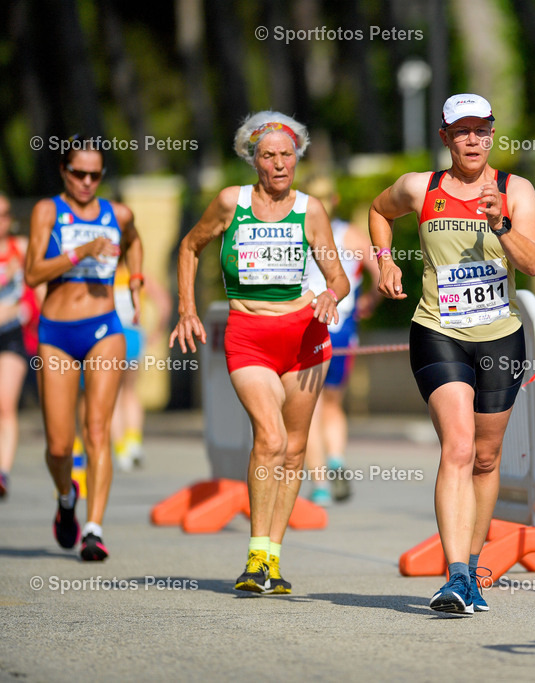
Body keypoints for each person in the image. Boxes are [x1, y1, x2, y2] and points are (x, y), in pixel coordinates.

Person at [369, 94, 535, 615]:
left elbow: (532, 264)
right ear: (444, 137)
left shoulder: (517, 190)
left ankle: (473, 568)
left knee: (486, 458)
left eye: (481, 130)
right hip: (438, 329)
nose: (472, 140)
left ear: (493, 134)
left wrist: (502, 225)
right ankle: (456, 576)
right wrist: (385, 262)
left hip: (499, 336)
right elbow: (379, 212)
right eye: (461, 131)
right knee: (460, 446)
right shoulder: (419, 187)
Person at [170, 112, 349, 594]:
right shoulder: (232, 203)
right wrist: (186, 309)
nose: (278, 163)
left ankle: (272, 559)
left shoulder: (311, 210)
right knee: (268, 437)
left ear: (298, 157)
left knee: (292, 451)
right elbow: (189, 247)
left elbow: (338, 276)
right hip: (249, 334)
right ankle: (253, 557)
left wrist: (331, 293)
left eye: (286, 154)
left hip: (306, 338)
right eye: (268, 155)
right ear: (253, 159)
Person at [25, 138, 143, 561]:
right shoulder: (47, 211)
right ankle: (66, 496)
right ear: (64, 170)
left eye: (96, 175)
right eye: (80, 174)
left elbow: (134, 240)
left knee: (97, 430)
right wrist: (79, 251)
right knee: (59, 446)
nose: (88, 182)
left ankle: (94, 529)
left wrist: (136, 279)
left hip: (104, 328)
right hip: (56, 331)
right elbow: (33, 273)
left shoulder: (118, 213)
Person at [301, 178, 380, 505]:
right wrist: (369, 303)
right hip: (343, 328)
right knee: (333, 403)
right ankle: (336, 459)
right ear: (334, 199)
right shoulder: (352, 235)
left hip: (310, 327)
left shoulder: (299, 232)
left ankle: (320, 486)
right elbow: (381, 274)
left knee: (311, 408)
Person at [110, 263, 171, 472]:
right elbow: (164, 303)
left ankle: (121, 449)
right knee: (130, 391)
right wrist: (156, 332)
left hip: (110, 337)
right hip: (134, 335)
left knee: (115, 394)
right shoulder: (137, 273)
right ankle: (134, 442)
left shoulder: (104, 272)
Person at [0, 193, 31, 499]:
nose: (3, 220)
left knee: (5, 403)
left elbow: (41, 286)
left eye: (6, 214)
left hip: (12, 335)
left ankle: (3, 473)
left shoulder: (20, 248)